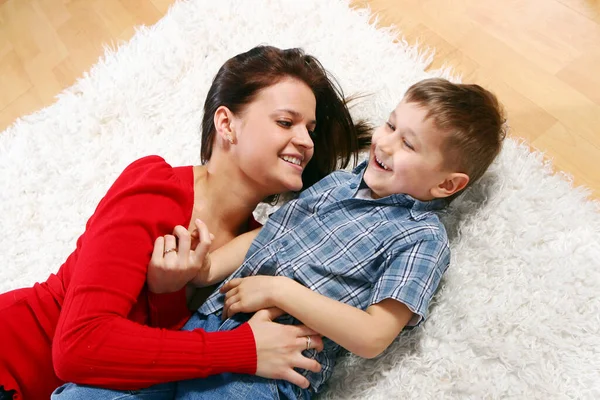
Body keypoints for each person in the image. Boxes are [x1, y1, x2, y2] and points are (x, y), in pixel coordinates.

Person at [58, 77, 506, 399]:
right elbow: (271, 234)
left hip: (274, 364)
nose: (385, 144)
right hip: (207, 328)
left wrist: (278, 290)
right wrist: (205, 269)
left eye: (409, 144)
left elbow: (372, 336)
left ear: (447, 185)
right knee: (86, 395)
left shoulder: (421, 239)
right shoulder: (337, 184)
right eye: (390, 126)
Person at [0, 45, 370, 400]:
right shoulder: (156, 187)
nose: (305, 141)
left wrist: (166, 295)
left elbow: (161, 358)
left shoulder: (261, 248)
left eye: (311, 129)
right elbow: (79, 346)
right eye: (286, 122)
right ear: (226, 124)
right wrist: (243, 349)